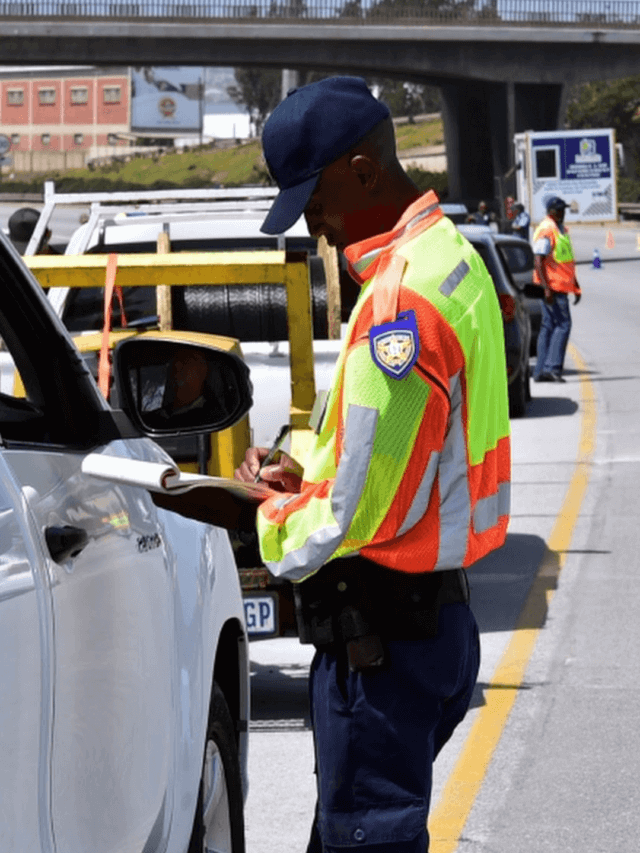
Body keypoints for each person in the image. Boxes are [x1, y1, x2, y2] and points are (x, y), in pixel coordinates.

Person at [231, 77, 511, 853]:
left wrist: (259, 516)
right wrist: (297, 466)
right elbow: (386, 448)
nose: (313, 221)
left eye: (312, 196)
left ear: (361, 170)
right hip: (432, 625)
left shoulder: (398, 304)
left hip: (381, 640)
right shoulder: (445, 258)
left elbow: (365, 509)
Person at [532, 196, 582, 383]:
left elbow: (566, 261)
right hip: (553, 288)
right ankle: (552, 368)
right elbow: (538, 260)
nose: (564, 213)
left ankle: (541, 371)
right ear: (554, 212)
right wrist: (546, 289)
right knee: (562, 325)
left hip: (559, 286)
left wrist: (575, 286)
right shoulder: (548, 230)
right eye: (562, 210)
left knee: (549, 326)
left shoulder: (560, 230)